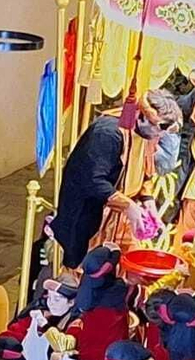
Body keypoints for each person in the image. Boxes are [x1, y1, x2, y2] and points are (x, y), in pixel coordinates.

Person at [52, 89, 183, 266]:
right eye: (160, 129)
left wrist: (148, 202)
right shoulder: (108, 133)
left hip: (121, 218)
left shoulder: (147, 134)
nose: (160, 136)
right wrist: (129, 206)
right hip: (92, 217)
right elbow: (93, 181)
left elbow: (145, 173)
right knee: (90, 273)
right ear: (141, 116)